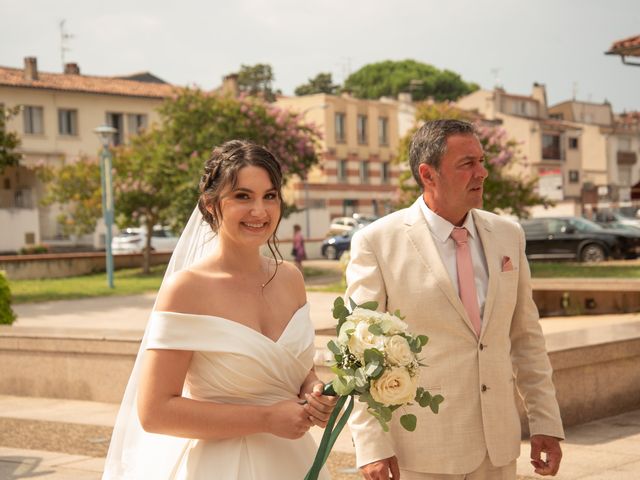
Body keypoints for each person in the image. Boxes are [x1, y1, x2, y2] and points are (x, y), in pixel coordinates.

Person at [103, 140, 336, 479]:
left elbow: (299, 372)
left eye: (269, 196)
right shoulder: (187, 289)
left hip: (293, 462)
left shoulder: (290, 278)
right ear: (211, 205)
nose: (260, 210)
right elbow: (154, 412)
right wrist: (267, 418)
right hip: (222, 466)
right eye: (243, 196)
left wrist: (313, 392)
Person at [346, 120, 564, 480]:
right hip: (421, 452)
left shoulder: (509, 235)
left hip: (498, 450)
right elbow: (361, 350)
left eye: (481, 160)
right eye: (467, 164)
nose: (482, 172)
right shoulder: (377, 242)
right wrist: (372, 445)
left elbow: (526, 338)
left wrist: (546, 421)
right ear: (428, 174)